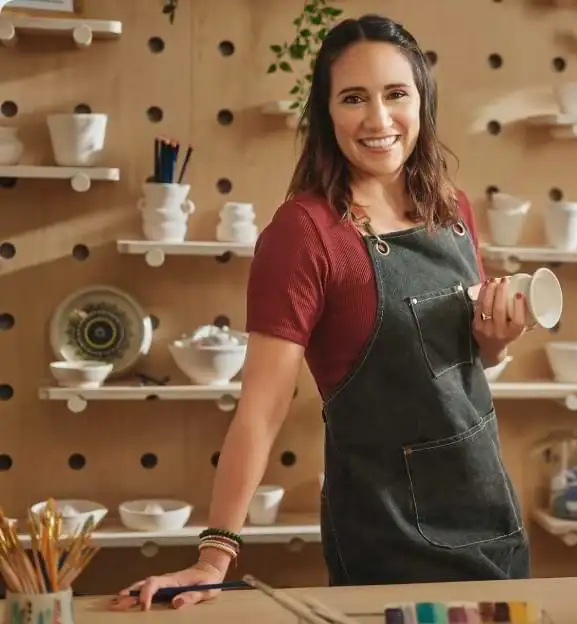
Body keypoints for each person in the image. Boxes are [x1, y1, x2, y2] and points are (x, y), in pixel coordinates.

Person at [111, 14, 532, 611]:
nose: (379, 120)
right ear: (326, 113)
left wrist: (498, 340)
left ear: (423, 102)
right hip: (390, 539)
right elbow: (261, 409)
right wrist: (214, 556)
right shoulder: (305, 233)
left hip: (493, 517)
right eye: (354, 98)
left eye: (396, 95)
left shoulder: (452, 207)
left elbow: (465, 363)